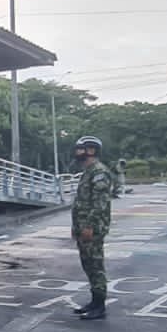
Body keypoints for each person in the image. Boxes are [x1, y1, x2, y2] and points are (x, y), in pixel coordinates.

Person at [70, 136, 113, 320]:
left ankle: (100, 305)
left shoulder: (99, 172)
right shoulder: (88, 171)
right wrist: (76, 226)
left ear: (92, 150)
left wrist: (88, 226)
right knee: (88, 264)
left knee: (96, 266)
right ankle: (94, 302)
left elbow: (99, 204)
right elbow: (81, 203)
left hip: (93, 228)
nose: (78, 152)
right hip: (83, 227)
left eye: (81, 149)